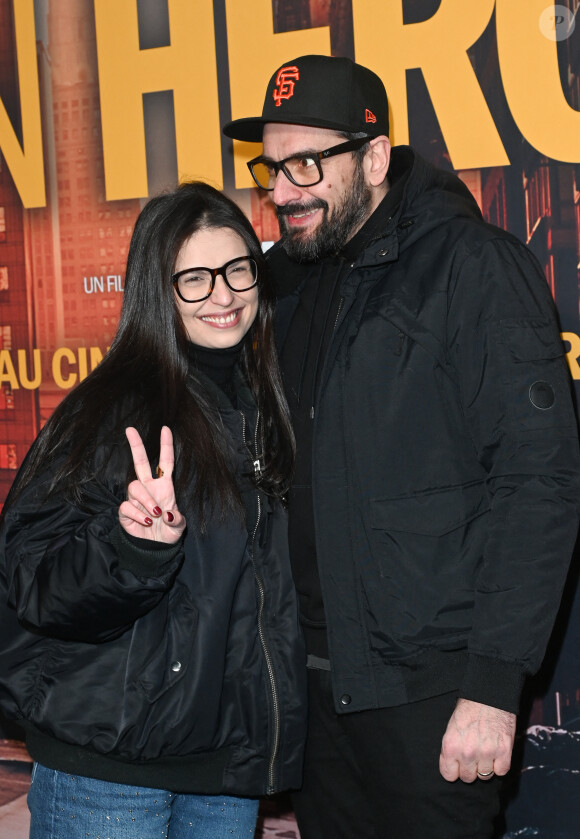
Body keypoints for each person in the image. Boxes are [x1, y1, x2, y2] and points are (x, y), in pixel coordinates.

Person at [222, 54, 580, 838]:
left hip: (437, 706)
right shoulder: (279, 282)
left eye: (306, 164)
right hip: (316, 704)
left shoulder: (471, 267)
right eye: (271, 167)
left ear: (375, 158)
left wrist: (492, 687)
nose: (281, 190)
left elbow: (538, 481)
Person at [0, 181, 307, 839]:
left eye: (236, 269)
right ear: (155, 290)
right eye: (193, 278)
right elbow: (33, 580)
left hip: (225, 770)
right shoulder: (112, 408)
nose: (222, 294)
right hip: (110, 771)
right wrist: (133, 548)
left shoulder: (266, 406)